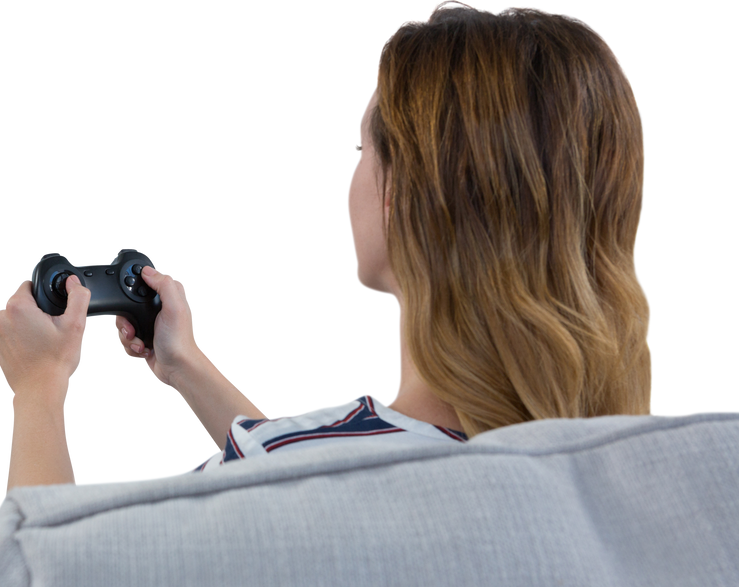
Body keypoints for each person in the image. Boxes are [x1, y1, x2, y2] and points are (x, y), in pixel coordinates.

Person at [112, 0, 653, 476]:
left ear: (406, 190)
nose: (352, 183)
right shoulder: (643, 473)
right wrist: (186, 364)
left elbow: (41, 564)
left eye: (361, 149)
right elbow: (298, 479)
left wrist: (39, 382)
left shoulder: (311, 473)